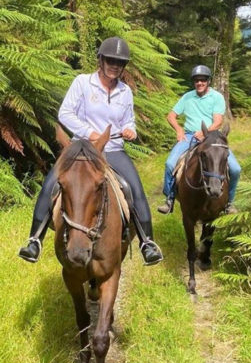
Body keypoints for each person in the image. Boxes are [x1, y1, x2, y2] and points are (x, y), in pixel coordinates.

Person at [19, 36, 163, 265]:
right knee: (51, 184)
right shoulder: (82, 83)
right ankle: (35, 239)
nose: (114, 65)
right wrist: (90, 133)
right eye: (110, 60)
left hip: (113, 148)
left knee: (134, 189)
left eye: (119, 62)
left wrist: (129, 130)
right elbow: (65, 114)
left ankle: (147, 242)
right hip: (82, 149)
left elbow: (129, 121)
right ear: (101, 60)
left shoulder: (125, 91)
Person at [157, 64, 241, 214]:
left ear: (208, 81)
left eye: (203, 80)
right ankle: (169, 199)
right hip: (189, 135)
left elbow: (218, 121)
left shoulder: (217, 97)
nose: (199, 83)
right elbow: (171, 116)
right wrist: (179, 129)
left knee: (235, 169)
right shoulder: (187, 97)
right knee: (170, 164)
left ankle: (229, 202)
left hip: (212, 136)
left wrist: (205, 133)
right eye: (196, 80)